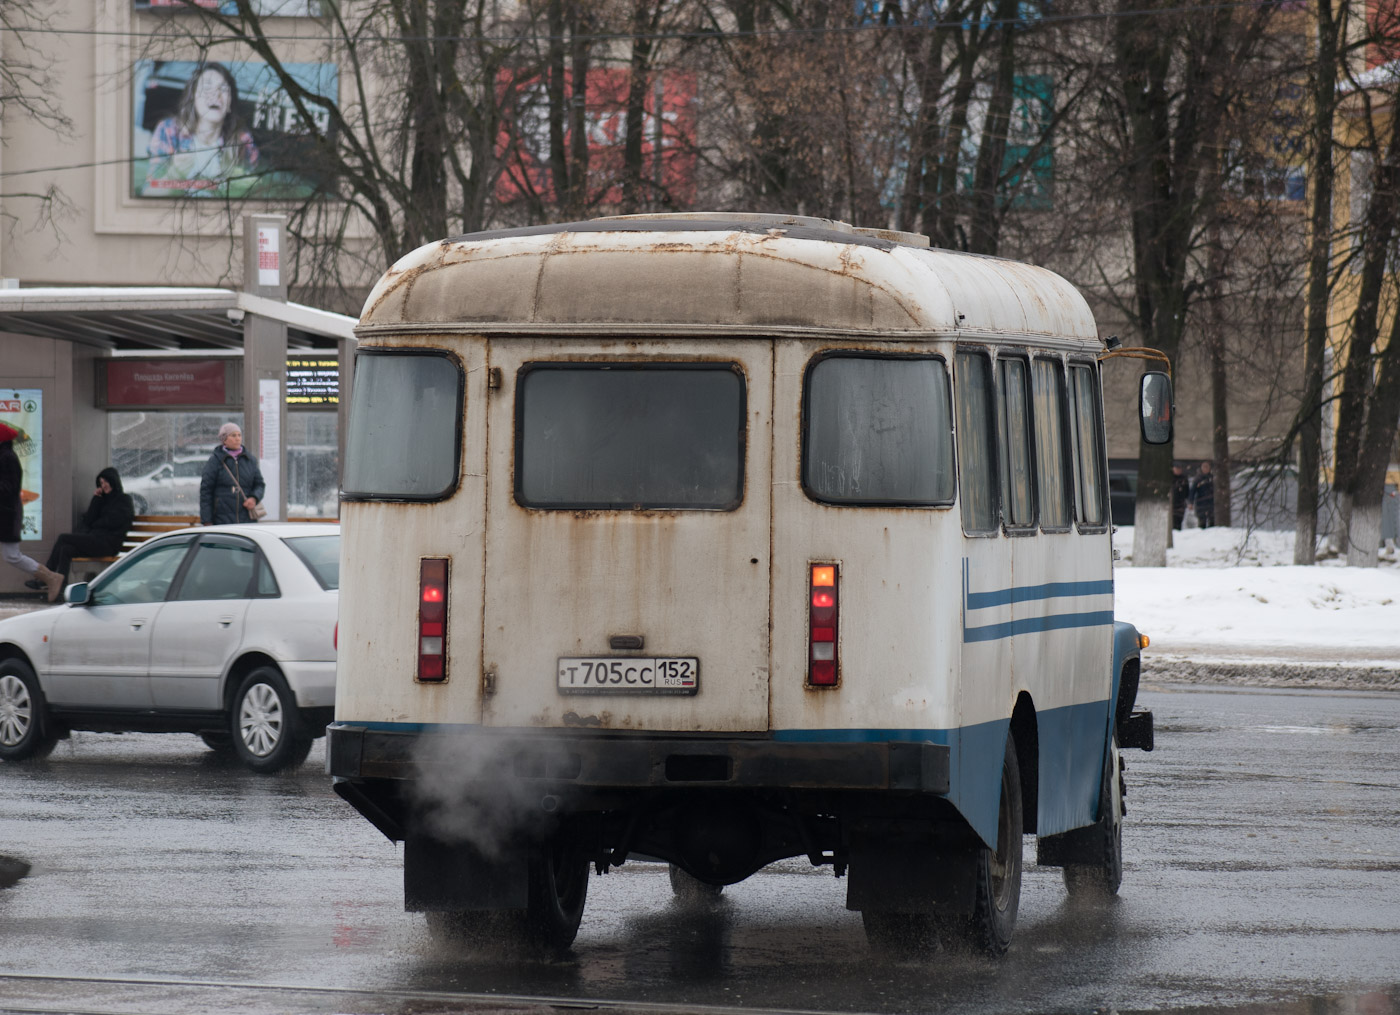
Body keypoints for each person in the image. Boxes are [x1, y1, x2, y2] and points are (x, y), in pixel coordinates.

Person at [142, 62, 259, 198]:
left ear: (230, 104)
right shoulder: (169, 131)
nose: (216, 94)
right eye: (207, 87)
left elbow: (255, 195)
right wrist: (174, 174)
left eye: (224, 89)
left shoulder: (242, 141)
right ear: (193, 99)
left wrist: (239, 185)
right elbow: (148, 193)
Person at [24, 468, 134, 599]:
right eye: (101, 482)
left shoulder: (124, 500)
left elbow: (112, 522)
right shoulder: (102, 500)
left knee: (63, 538)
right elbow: (89, 520)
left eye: (106, 481)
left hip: (108, 544)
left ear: (114, 481)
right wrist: (96, 499)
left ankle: (46, 577)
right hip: (96, 540)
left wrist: (96, 524)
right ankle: (60, 588)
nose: (104, 485)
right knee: (66, 549)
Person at [0, 421, 64, 602]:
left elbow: (9, 488)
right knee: (11, 555)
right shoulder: (4, 456)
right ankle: (51, 577)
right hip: (6, 514)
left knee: (12, 555)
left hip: (6, 515)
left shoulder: (7, 458)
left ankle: (50, 577)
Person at [200, 422, 266, 525]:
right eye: (233, 435)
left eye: (239, 435)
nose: (237, 438)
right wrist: (207, 520)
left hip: (247, 520)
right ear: (224, 439)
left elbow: (259, 484)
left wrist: (254, 498)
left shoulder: (249, 460)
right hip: (222, 520)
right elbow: (206, 492)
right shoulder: (215, 461)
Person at [1191, 461, 1216, 529]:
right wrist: (1190, 502)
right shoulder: (1197, 478)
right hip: (1201, 504)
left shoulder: (1213, 478)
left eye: (1207, 467)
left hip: (1211, 503)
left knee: (1212, 522)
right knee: (1202, 523)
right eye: (1204, 467)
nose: (1205, 469)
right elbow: (1192, 491)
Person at [1170, 464, 1191, 531]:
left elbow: (1187, 491)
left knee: (1179, 520)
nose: (1178, 470)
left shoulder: (1184, 479)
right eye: (1176, 469)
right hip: (1172, 503)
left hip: (1181, 503)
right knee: (1173, 520)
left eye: (1179, 469)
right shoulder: (1170, 478)